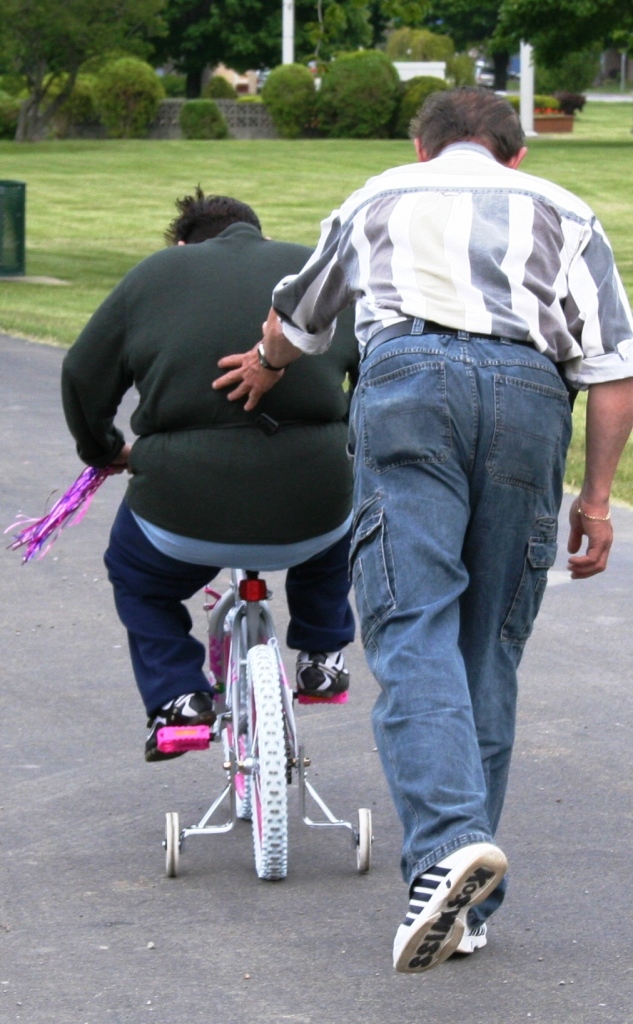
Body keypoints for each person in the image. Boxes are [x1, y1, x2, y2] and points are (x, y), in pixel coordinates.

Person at [213, 88, 633, 971]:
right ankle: (467, 907)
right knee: (486, 648)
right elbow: (611, 370)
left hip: (407, 385)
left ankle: (445, 851)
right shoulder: (567, 211)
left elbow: (296, 320)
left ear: (420, 146)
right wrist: (595, 501)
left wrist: (265, 365)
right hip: (529, 396)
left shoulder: (378, 196)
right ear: (515, 154)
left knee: (412, 626)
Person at [61, 189, 359, 763]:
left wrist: (104, 451)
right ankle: (322, 654)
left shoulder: (156, 273)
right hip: (312, 505)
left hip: (181, 510)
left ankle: (178, 698)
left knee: (136, 576)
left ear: (182, 245)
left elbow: (81, 372)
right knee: (336, 533)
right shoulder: (312, 268)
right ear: (262, 238)